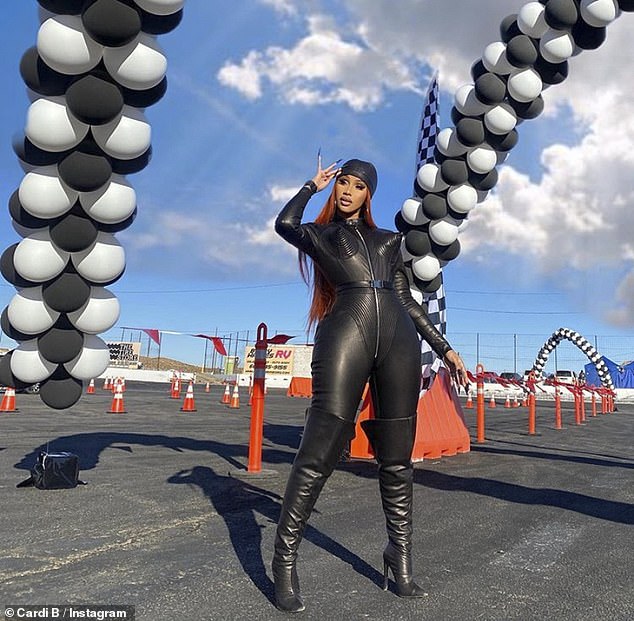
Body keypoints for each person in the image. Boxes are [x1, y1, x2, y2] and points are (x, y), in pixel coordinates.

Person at [272, 156, 469, 613]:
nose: (347, 190)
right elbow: (285, 224)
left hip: (399, 340)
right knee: (320, 448)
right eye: (342, 182)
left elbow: (406, 300)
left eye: (358, 185)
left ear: (369, 195)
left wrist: (445, 349)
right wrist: (311, 185)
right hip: (347, 332)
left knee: (398, 457)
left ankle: (400, 559)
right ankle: (284, 560)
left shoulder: (389, 241)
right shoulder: (320, 235)